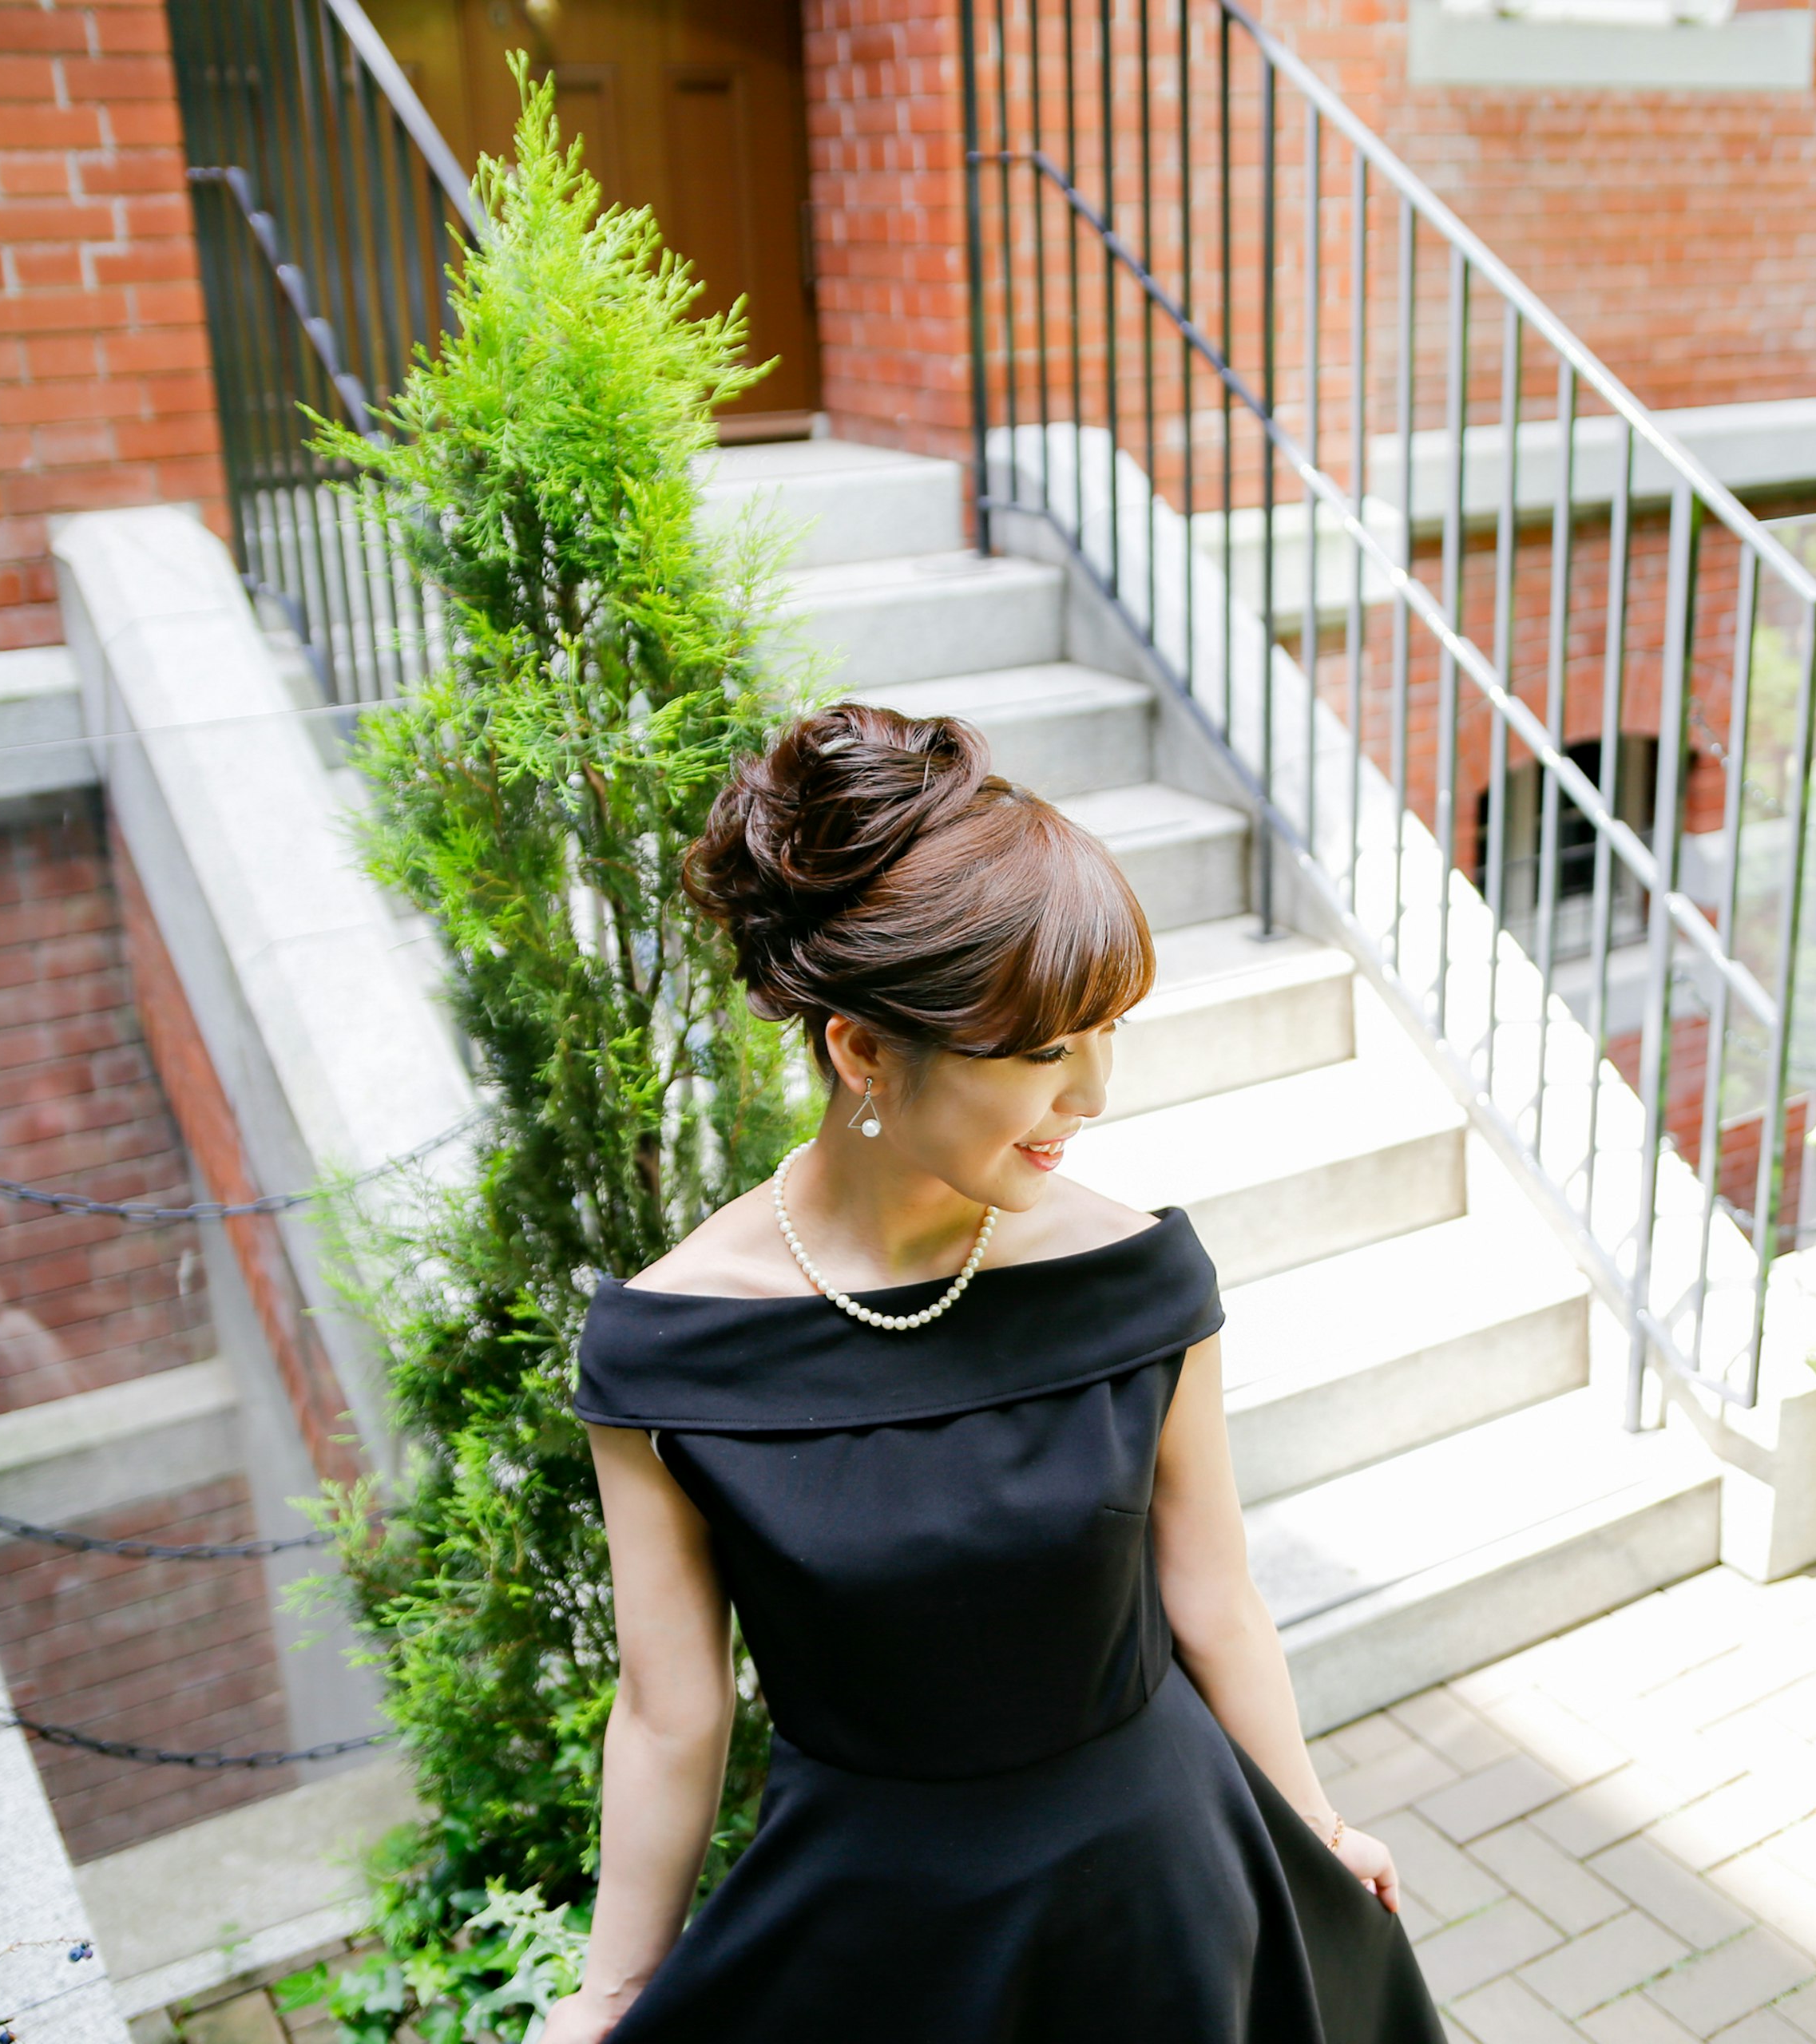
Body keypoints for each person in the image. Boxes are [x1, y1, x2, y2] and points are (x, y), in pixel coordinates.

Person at [544, 703, 1444, 2044]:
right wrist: (614, 1990)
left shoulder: (1140, 1281)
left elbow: (1212, 1594)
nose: (1091, 1098)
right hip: (881, 1937)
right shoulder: (670, 1352)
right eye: (1041, 1053)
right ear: (861, 1053)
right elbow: (674, 1711)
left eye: (1105, 1035)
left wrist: (1311, 1822)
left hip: (1165, 1895)